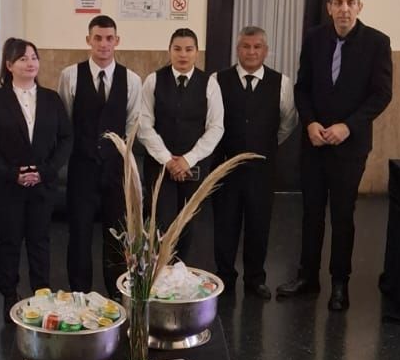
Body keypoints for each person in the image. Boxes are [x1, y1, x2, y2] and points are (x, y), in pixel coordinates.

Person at [276, 0, 392, 313]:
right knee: (311, 212)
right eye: (338, 3)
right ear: (329, 7)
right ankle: (307, 277)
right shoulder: (315, 39)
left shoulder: (377, 42)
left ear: (360, 7)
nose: (344, 9)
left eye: (350, 3)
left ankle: (340, 282)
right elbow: (303, 88)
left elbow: (382, 94)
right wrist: (310, 123)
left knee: (342, 214)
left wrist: (347, 126)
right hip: (314, 142)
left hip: (350, 145)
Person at [0, 38, 72, 322]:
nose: (30, 63)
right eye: (23, 58)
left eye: (34, 57)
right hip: (8, 184)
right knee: (9, 241)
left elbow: (66, 138)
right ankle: (9, 294)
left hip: (43, 183)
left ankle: (41, 293)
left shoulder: (51, 98)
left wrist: (46, 171)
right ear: (9, 65)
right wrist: (12, 173)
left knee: (40, 240)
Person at [58, 15, 142, 295]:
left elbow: (132, 125)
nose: (103, 44)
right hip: (82, 166)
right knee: (79, 232)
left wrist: (120, 159)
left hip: (116, 168)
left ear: (117, 41)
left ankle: (117, 290)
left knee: (117, 233)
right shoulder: (70, 75)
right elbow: (66, 121)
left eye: (109, 38)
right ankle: (79, 291)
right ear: (88, 40)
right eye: (98, 38)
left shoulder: (132, 79)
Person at [213, 25, 297, 299]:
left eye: (257, 47)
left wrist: (266, 145)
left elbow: (287, 123)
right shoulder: (217, 80)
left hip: (262, 168)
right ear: (237, 49)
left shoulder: (281, 83)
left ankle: (255, 279)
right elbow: (212, 121)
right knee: (225, 224)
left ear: (266, 50)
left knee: (259, 224)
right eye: (246, 46)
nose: (251, 52)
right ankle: (224, 277)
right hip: (226, 166)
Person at [138, 29, 224, 264]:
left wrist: (187, 159)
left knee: (189, 224)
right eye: (177, 49)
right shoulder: (153, 80)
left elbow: (216, 127)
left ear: (196, 52)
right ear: (169, 51)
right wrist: (168, 160)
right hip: (159, 165)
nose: (183, 54)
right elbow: (144, 125)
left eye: (188, 49)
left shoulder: (210, 84)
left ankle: (182, 273)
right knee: (161, 222)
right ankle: (158, 272)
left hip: (194, 166)